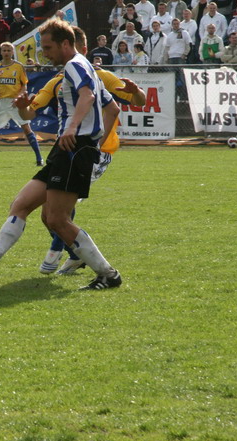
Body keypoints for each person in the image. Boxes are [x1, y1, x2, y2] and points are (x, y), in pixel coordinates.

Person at [0, 19, 123, 290]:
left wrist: (77, 131)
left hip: (74, 148)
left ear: (65, 43)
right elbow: (113, 109)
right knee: (21, 205)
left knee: (57, 219)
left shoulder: (75, 65)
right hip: (68, 149)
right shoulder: (85, 70)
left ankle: (109, 275)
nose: (44, 53)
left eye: (48, 47)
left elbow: (87, 98)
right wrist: (95, 141)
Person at [17, 25, 146, 275]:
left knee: (61, 206)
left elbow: (133, 101)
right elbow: (31, 111)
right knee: (50, 212)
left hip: (95, 151)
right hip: (72, 147)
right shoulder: (57, 81)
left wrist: (135, 92)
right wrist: (23, 108)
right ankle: (74, 253)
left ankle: (62, 251)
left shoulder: (99, 75)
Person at [0, 41, 43, 167]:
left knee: (26, 128)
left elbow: (24, 85)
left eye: (8, 50)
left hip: (15, 102)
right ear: (0, 52)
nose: (6, 53)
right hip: (1, 102)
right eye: (4, 50)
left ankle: (39, 159)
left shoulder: (19, 66)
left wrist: (20, 97)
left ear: (12, 52)